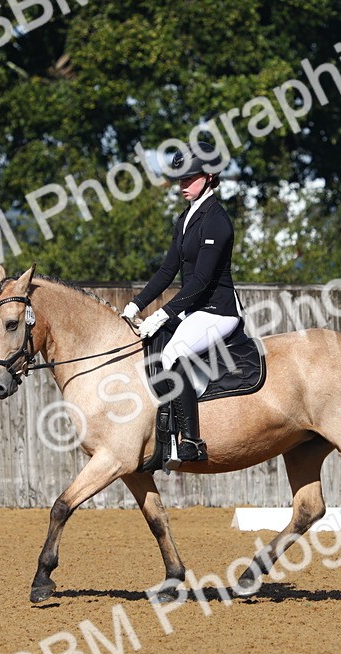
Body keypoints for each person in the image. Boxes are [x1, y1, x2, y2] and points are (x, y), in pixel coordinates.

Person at [121, 144, 241, 465]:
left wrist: (161, 314)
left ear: (210, 176)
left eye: (189, 178)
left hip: (218, 311)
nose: (182, 186)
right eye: (179, 180)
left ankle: (190, 442)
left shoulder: (217, 221)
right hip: (193, 311)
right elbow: (167, 270)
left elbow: (200, 281)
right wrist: (136, 306)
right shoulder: (185, 218)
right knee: (152, 343)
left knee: (173, 352)